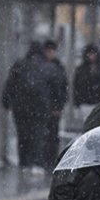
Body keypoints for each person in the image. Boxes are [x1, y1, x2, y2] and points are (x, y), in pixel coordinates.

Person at [2, 41, 54, 175]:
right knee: (37, 135)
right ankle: (36, 163)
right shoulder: (47, 66)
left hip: (20, 107)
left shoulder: (19, 65)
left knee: (23, 135)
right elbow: (56, 86)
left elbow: (10, 85)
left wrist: (6, 103)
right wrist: (55, 105)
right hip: (40, 108)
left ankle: (24, 162)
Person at [43, 40, 68, 170]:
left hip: (53, 107)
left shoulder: (58, 67)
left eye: (52, 51)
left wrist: (58, 106)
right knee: (47, 134)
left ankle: (51, 159)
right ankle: (47, 159)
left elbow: (62, 88)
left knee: (52, 134)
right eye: (48, 51)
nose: (50, 53)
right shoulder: (53, 67)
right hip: (44, 107)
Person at [72, 44, 100, 120]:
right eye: (89, 54)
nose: (91, 56)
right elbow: (76, 87)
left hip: (99, 101)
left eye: (93, 54)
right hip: (85, 102)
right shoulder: (81, 70)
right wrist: (77, 103)